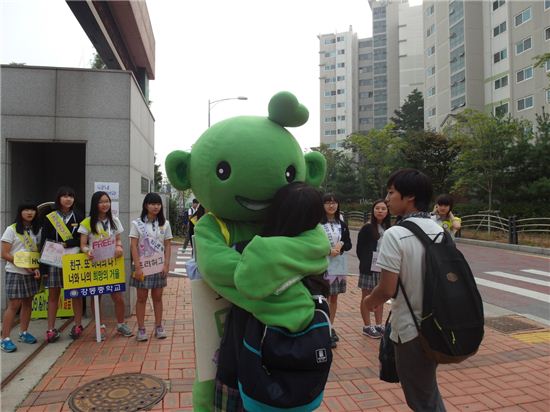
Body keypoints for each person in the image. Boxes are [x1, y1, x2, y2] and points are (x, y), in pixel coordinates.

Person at [216, 181, 329, 410]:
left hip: (250, 360)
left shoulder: (256, 251)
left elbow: (228, 278)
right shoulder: (317, 251)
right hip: (303, 379)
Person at [364, 168, 446, 411]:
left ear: (409, 197)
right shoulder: (438, 229)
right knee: (426, 389)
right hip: (437, 324)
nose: (387, 199)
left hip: (411, 330)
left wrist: (368, 302)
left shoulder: (395, 234)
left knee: (422, 400)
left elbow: (387, 289)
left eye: (391, 192)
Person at [78, 191, 133, 339]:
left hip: (112, 264)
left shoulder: (114, 220)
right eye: (101, 202)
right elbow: (82, 245)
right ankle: (100, 325)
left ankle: (121, 324)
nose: (105, 204)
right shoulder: (86, 222)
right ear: (95, 204)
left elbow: (118, 239)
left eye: (107, 201)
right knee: (96, 296)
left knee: (118, 296)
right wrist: (87, 251)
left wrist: (119, 247)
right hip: (95, 264)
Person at [39, 186, 84, 343]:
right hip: (53, 261)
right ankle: (51, 329)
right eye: (64, 196)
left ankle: (78, 325)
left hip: (73, 261)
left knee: (75, 294)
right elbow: (43, 242)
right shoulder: (50, 217)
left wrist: (68, 242)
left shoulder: (79, 216)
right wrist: (43, 268)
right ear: (59, 199)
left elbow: (83, 239)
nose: (68, 199)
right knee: (53, 295)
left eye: (71, 196)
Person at [130, 193, 173, 342]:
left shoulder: (165, 224)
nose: (156, 206)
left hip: (159, 266)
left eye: (158, 204)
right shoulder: (137, 223)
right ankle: (141, 329)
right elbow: (133, 246)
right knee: (141, 298)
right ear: (145, 205)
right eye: (152, 203)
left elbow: (168, 245)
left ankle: (159, 326)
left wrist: (166, 265)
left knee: (158, 297)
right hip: (142, 267)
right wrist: (138, 267)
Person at [1, 204, 42, 352]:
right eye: (26, 210)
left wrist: (36, 268)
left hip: (31, 272)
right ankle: (4, 338)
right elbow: (4, 254)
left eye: (32, 210)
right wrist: (23, 265)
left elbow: (37, 253)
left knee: (28, 302)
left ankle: (23, 332)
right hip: (15, 272)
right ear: (20, 212)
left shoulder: (37, 230)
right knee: (14, 305)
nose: (29, 213)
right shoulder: (11, 229)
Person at [356, 199, 391, 339]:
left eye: (383, 208)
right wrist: (366, 262)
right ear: (373, 210)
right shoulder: (367, 227)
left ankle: (378, 325)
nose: (380, 211)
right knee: (366, 296)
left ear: (387, 211)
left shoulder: (388, 228)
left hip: (383, 267)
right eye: (377, 208)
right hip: (369, 268)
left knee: (380, 296)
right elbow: (359, 249)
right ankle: (367, 326)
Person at [321, 193, 352, 348]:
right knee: (322, 296)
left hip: (338, 264)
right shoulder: (316, 224)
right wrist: (326, 250)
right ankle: (322, 326)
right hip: (322, 264)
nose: (331, 205)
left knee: (334, 298)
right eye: (327, 202)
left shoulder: (342, 224)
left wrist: (341, 246)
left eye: (334, 202)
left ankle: (330, 326)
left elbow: (349, 244)